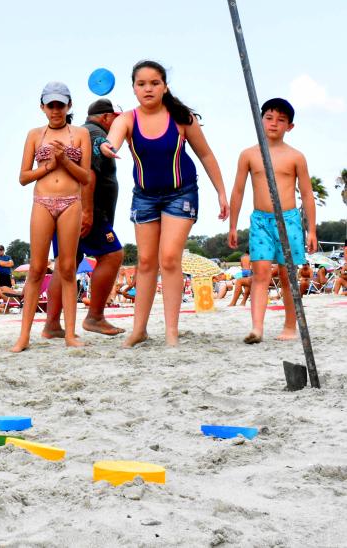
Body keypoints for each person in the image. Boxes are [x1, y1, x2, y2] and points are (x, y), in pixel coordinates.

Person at [101, 61, 229, 347]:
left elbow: (206, 155)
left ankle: (172, 331)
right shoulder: (127, 119)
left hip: (181, 193)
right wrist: (106, 147)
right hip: (145, 196)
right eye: (142, 84)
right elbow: (112, 141)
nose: (148, 88)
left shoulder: (181, 118)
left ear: (164, 86)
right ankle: (139, 330)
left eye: (154, 83)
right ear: (133, 88)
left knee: (169, 258)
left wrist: (221, 192)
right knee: (146, 262)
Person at [228, 98, 316, 343]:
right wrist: (233, 225)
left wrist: (311, 230)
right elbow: (238, 190)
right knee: (261, 274)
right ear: (260, 120)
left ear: (290, 126)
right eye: (269, 118)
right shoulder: (248, 154)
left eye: (281, 120)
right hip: (260, 221)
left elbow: (307, 193)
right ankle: (257, 328)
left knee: (288, 276)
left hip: (288, 220)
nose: (274, 123)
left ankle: (290, 326)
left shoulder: (296, 156)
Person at [12, 82, 91, 352]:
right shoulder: (35, 135)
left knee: (67, 268)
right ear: (43, 107)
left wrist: (66, 161)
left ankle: (70, 333)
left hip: (71, 201)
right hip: (42, 201)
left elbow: (86, 177)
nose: (55, 110)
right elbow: (23, 177)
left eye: (60, 105)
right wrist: (50, 165)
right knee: (36, 268)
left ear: (69, 106)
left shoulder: (80, 134)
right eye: (51, 105)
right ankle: (23, 335)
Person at [43, 98, 125, 338]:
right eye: (115, 119)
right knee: (112, 255)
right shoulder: (95, 133)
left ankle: (52, 325)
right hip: (87, 209)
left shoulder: (80, 132)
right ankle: (95, 317)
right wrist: (87, 212)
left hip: (65, 207)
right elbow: (88, 172)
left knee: (67, 263)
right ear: (107, 117)